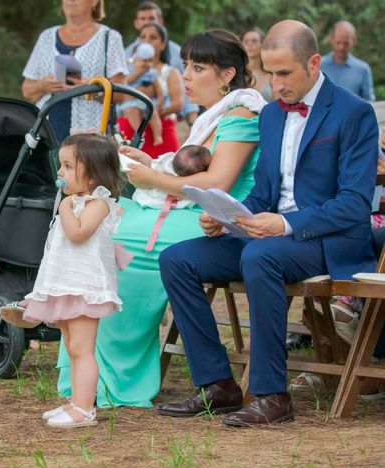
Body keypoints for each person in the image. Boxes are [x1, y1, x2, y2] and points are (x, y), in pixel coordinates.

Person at [157, 20, 378, 426]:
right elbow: (262, 194)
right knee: (177, 259)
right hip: (268, 238)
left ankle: (272, 394)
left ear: (314, 63)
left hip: (327, 238)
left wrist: (284, 225)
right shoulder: (273, 115)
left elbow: (354, 204)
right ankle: (218, 385)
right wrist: (227, 216)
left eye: (284, 73)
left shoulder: (354, 112)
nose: (275, 84)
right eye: (269, 73)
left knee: (261, 257)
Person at [57, 29, 266, 408]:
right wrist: (150, 163)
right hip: (190, 209)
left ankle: (114, 373)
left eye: (197, 67)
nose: (185, 74)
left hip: (216, 219)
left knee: (112, 240)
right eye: (185, 65)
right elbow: (190, 171)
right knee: (98, 224)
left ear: (226, 76)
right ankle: (85, 363)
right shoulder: (214, 116)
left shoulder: (242, 114)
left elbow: (219, 182)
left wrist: (152, 178)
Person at [0, 134, 124, 428]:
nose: (60, 173)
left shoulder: (98, 203)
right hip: (67, 285)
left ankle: (84, 410)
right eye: (61, 166)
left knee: (82, 348)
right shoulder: (76, 201)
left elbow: (78, 233)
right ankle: (76, 403)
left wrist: (66, 208)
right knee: (71, 348)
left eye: (68, 166)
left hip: (85, 288)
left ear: (92, 174)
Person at [21, 0, 127, 142]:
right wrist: (43, 85)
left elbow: (121, 95)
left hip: (90, 142)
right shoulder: (46, 37)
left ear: (95, 2)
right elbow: (27, 91)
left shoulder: (110, 38)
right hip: (45, 137)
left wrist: (93, 89)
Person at [124, 1, 198, 127]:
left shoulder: (177, 52)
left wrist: (193, 123)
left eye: (151, 18)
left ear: (161, 21)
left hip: (170, 120)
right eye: (143, 19)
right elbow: (121, 88)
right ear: (136, 23)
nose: (147, 22)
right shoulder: (127, 53)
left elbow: (189, 85)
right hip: (132, 119)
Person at [118, 22, 183, 157]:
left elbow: (178, 104)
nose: (146, 41)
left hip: (161, 135)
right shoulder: (126, 69)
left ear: (163, 44)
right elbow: (118, 96)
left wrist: (152, 112)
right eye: (143, 37)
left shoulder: (170, 72)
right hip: (130, 134)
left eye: (153, 37)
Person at [120, 42, 164, 145]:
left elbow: (158, 87)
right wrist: (138, 72)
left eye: (150, 61)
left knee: (153, 114)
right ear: (135, 60)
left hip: (146, 101)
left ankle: (157, 135)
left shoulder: (151, 73)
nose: (146, 64)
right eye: (143, 60)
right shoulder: (129, 70)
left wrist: (160, 99)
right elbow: (127, 81)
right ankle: (139, 131)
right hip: (131, 102)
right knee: (132, 112)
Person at [320, 21, 375, 102]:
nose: (341, 48)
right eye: (338, 42)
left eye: (346, 43)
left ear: (354, 41)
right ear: (331, 39)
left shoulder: (363, 69)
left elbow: (369, 101)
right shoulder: (318, 66)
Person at [241, 27, 273, 102]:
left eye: (254, 41)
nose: (250, 44)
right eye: (246, 41)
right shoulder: (235, 74)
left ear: (263, 44)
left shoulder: (272, 75)